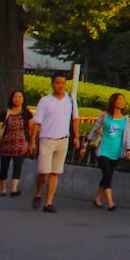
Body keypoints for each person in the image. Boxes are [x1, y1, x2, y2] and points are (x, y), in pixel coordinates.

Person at [29, 74, 79, 213]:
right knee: (43, 171)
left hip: (63, 139)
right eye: (57, 83)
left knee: (55, 172)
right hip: (47, 138)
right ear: (52, 84)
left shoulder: (70, 99)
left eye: (62, 83)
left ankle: (48, 202)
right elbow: (37, 122)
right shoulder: (45, 101)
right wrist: (32, 141)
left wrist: (76, 137)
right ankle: (38, 192)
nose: (60, 86)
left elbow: (75, 119)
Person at [84, 92, 130, 211]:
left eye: (123, 100)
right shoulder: (104, 116)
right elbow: (95, 130)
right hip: (103, 150)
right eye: (119, 99)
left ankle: (97, 198)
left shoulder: (125, 119)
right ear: (113, 102)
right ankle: (110, 202)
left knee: (108, 175)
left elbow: (127, 136)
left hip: (116, 151)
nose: (121, 102)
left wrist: (129, 148)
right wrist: (86, 143)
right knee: (107, 174)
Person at [0, 89, 32, 197]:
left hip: (20, 144)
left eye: (19, 97)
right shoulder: (5, 112)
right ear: (11, 99)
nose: (17, 99)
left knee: (18, 166)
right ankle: (3, 189)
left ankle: (14, 188)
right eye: (15, 97)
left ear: (23, 99)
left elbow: (31, 127)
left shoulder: (27, 113)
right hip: (6, 144)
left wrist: (32, 142)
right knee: (4, 166)